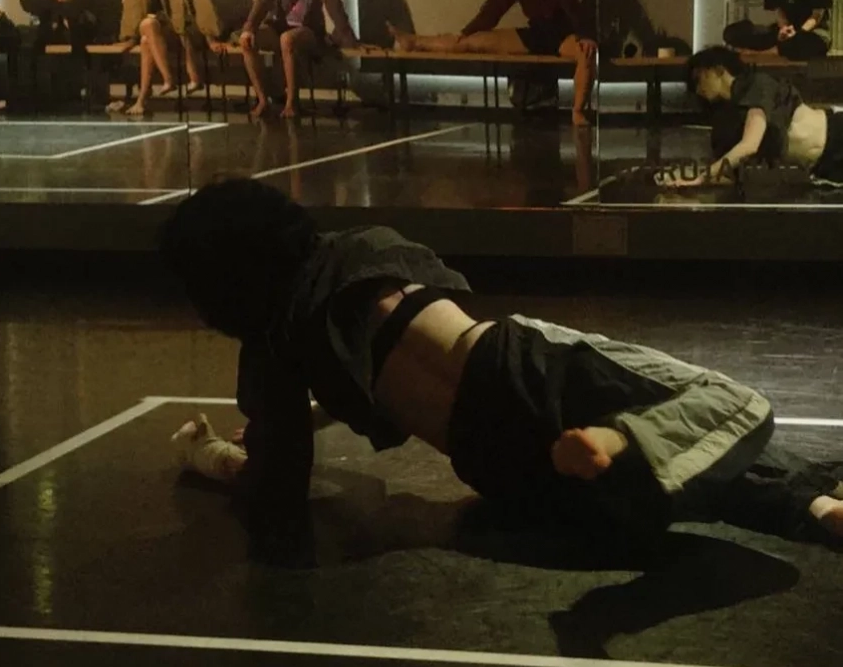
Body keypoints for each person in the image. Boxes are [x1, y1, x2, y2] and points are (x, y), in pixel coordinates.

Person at [160, 179, 843, 567]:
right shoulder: (359, 251)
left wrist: (207, 454)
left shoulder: (280, 346)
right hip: (528, 374)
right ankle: (624, 439)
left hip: (503, 465)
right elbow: (374, 334)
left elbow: (277, 478)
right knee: (727, 411)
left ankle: (812, 507)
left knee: (685, 468)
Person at [387, 0, 597, 125]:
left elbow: (571, 5)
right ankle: (414, 41)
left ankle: (577, 111)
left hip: (562, 33)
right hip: (536, 32)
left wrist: (585, 35)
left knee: (587, 54)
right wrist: (468, 30)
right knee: (467, 43)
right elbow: (495, 6)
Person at [661, 46, 843, 188]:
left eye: (699, 78)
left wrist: (701, 177)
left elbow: (750, 145)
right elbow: (728, 176)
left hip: (837, 134)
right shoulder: (727, 121)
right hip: (823, 166)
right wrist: (686, 176)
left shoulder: (757, 84)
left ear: (719, 70)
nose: (698, 89)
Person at [239, 0, 359, 119]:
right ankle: (262, 99)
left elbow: (333, 3)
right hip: (278, 26)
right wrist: (249, 28)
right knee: (247, 41)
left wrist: (347, 36)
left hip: (308, 30)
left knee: (287, 39)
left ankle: (291, 102)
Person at [110, 0, 186, 117]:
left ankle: (157, 87)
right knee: (146, 33)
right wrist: (130, 36)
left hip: (170, 25)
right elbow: (132, 3)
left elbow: (177, 2)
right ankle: (148, 94)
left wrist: (163, 19)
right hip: (148, 26)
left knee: (148, 28)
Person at [20, 0, 95, 96]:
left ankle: (77, 89)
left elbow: (78, 4)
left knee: (76, 32)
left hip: (75, 26)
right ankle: (34, 92)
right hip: (48, 25)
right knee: (30, 42)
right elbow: (26, 2)